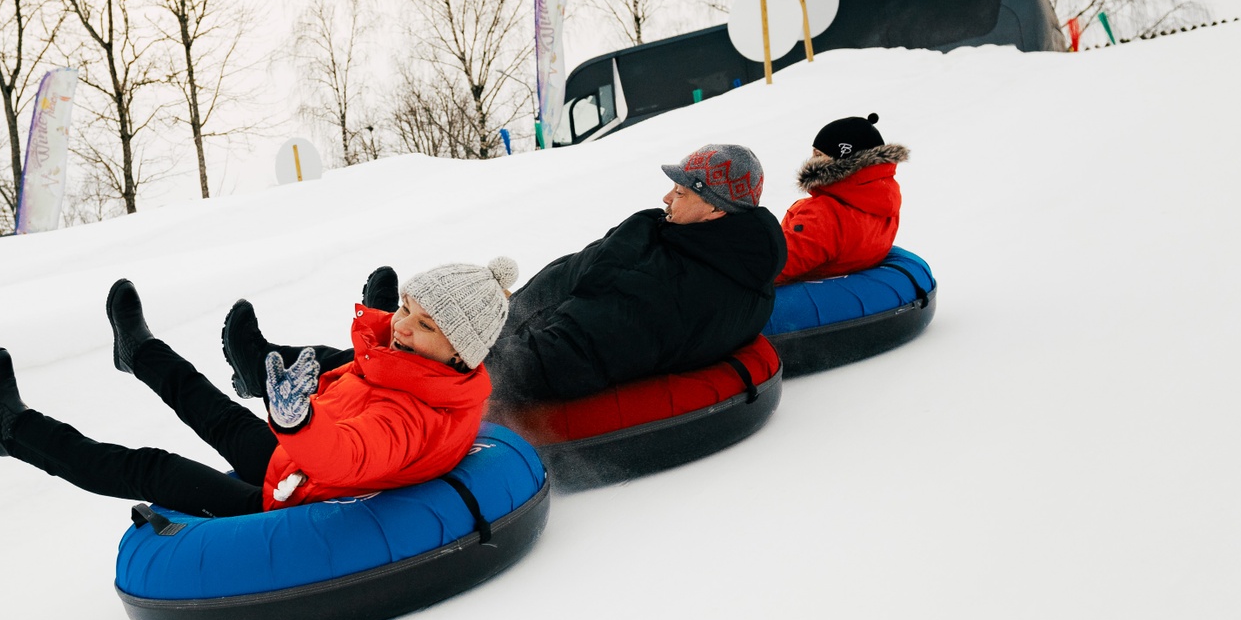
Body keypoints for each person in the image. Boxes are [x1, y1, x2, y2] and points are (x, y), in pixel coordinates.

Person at [224, 144, 785, 407]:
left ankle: (271, 370)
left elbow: (596, 342)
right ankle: (389, 319)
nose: (667, 196)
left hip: (545, 362)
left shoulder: (690, 289)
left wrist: (491, 349)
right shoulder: (700, 241)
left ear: (714, 207)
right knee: (428, 329)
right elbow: (588, 271)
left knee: (415, 363)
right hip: (546, 318)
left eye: (682, 191)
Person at [0, 259, 518, 518]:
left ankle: (12, 430)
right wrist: (304, 408)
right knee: (211, 407)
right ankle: (139, 353)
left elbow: (351, 454)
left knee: (152, 468)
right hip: (294, 463)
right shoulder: (411, 366)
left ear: (459, 352)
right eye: (405, 308)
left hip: (290, 498)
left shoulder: (419, 416)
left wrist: (296, 419)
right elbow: (352, 394)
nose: (400, 326)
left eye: (423, 325)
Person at [777, 113, 909, 284]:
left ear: (840, 161)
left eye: (818, 155)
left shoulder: (824, 215)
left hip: (805, 296)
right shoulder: (883, 201)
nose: (810, 161)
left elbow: (771, 269)